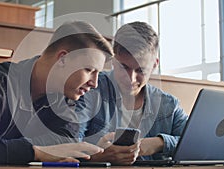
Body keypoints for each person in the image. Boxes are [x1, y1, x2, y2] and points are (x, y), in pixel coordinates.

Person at [0, 21, 113, 164]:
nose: (95, 83)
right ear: (63, 59)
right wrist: (34, 152)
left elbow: (64, 143)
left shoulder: (66, 97)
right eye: (89, 69)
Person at [77, 21, 188, 165]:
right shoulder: (90, 91)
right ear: (113, 59)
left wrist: (159, 143)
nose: (131, 79)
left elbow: (196, 143)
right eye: (124, 67)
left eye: (140, 70)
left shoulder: (169, 105)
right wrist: (98, 157)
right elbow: (68, 144)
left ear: (154, 64)